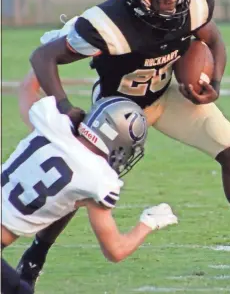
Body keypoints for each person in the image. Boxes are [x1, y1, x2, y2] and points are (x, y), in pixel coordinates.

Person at [16, 0, 230, 288]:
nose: (173, 3)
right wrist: (63, 106)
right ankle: (34, 259)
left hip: (168, 94)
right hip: (118, 111)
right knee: (81, 180)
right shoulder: (106, 23)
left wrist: (214, 81)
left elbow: (212, 38)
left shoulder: (192, 2)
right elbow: (43, 57)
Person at [1, 91, 178, 294]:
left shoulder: (51, 123)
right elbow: (115, 251)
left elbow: (28, 86)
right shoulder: (97, 179)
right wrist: (148, 222)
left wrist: (53, 62)